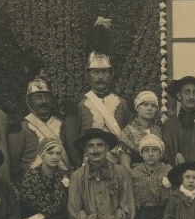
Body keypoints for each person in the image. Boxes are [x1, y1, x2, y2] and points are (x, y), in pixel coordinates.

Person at [65, 24, 130, 167]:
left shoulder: (122, 103)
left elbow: (128, 138)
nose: (100, 76)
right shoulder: (78, 104)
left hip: (116, 166)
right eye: (95, 72)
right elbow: (71, 139)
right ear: (88, 75)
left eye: (104, 72)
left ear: (110, 74)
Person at [9, 76, 66, 180]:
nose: (43, 101)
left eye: (46, 97)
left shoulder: (62, 124)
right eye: (38, 97)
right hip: (31, 186)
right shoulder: (21, 127)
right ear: (29, 101)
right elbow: (14, 163)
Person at [162, 76, 195, 165]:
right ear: (179, 96)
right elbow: (165, 153)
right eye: (186, 92)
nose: (191, 97)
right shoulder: (169, 125)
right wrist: (176, 153)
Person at [118, 91, 164, 169]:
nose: (149, 108)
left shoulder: (158, 131)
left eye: (153, 105)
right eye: (145, 104)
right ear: (137, 107)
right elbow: (125, 166)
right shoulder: (128, 132)